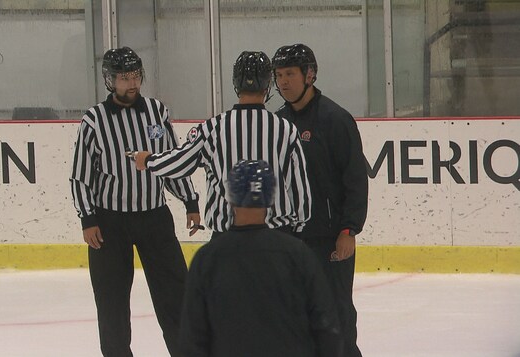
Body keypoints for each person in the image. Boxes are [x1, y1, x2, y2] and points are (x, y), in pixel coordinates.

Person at [69, 46, 202, 357]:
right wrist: (88, 219)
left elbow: (170, 162)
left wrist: (190, 201)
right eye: (124, 78)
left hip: (154, 218)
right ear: (109, 80)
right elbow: (80, 175)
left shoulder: (157, 112)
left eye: (136, 76)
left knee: (176, 296)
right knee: (112, 302)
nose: (132, 83)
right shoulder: (94, 120)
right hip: (109, 222)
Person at [133, 51, 310, 235]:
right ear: (268, 84)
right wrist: (297, 228)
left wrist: (148, 160)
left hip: (227, 239)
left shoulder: (213, 128)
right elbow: (299, 189)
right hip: (275, 237)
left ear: (236, 83)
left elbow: (179, 163)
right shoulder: (285, 129)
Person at [179, 160, 343, 356]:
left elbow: (192, 339)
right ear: (270, 197)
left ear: (230, 197)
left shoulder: (207, 259)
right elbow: (326, 327)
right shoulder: (297, 254)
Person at [272, 43, 369, 357]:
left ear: (309, 75)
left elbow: (354, 179)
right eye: (278, 75)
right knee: (296, 317)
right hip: (290, 241)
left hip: (330, 240)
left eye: (290, 74)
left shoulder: (335, 119)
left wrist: (348, 230)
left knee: (337, 317)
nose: (283, 82)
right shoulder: (277, 123)